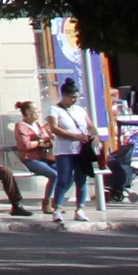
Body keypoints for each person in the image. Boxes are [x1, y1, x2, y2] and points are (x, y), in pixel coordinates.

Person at [47, 77, 98, 223]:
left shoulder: (80, 110)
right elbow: (54, 128)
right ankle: (57, 208)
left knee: (81, 179)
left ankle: (80, 208)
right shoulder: (55, 109)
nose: (75, 100)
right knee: (63, 179)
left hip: (81, 150)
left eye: (77, 97)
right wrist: (74, 136)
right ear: (65, 96)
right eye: (72, 97)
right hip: (64, 150)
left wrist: (95, 135)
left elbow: (90, 125)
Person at [0, 96, 39, 216]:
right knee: (54, 174)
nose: (38, 112)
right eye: (35, 109)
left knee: (6, 172)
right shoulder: (21, 125)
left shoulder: (38, 126)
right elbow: (26, 144)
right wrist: (40, 142)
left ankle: (16, 204)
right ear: (27, 112)